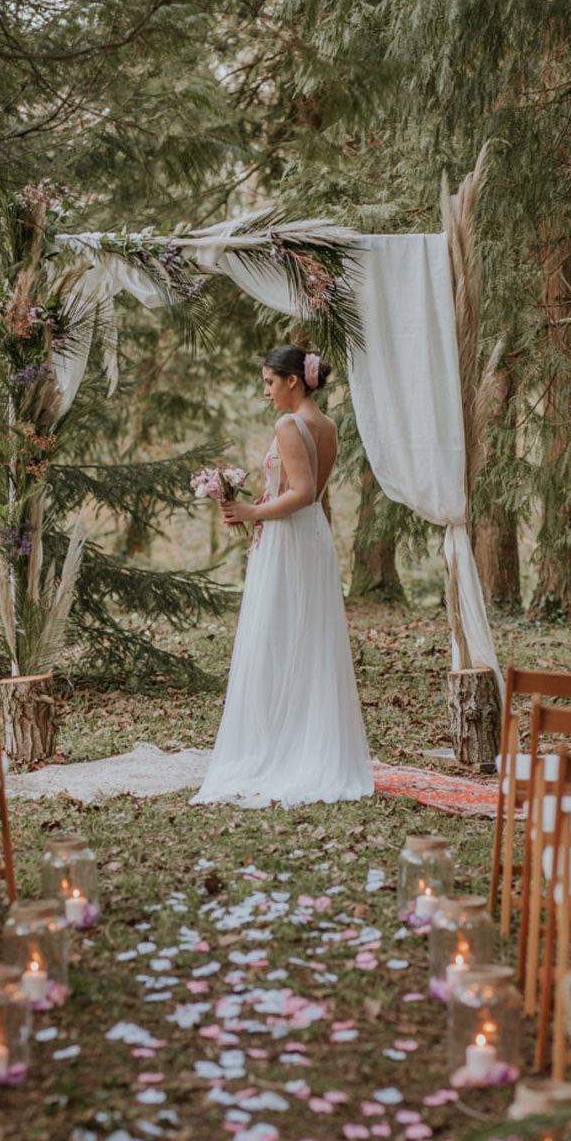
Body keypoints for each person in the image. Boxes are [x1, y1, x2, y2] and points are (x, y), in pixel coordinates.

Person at [191, 344, 374, 808]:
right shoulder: (328, 426)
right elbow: (310, 495)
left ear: (294, 380)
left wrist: (252, 510)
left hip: (289, 539)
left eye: (270, 382)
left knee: (275, 636)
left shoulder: (289, 424)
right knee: (306, 639)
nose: (266, 391)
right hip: (312, 537)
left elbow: (303, 491)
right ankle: (305, 741)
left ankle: (278, 747)